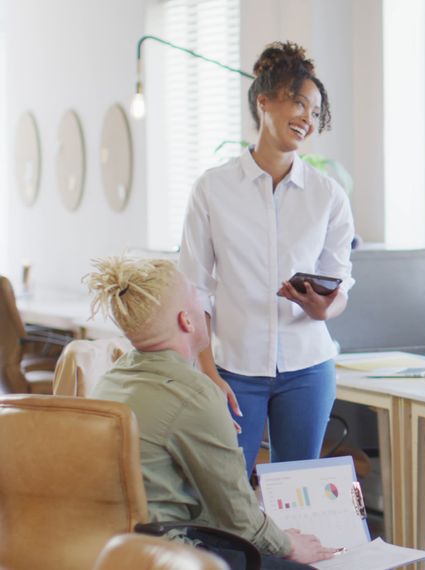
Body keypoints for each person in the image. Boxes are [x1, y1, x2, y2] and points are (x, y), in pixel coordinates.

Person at [86, 256, 340, 569]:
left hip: (117, 549)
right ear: (187, 321)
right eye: (196, 294)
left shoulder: (113, 378)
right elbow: (238, 520)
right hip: (170, 554)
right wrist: (289, 545)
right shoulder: (193, 394)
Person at [179, 41, 355, 475]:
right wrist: (208, 374)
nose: (306, 119)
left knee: (298, 495)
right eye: (298, 103)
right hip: (233, 369)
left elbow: (341, 284)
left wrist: (324, 305)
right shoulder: (213, 189)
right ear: (264, 100)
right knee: (229, 491)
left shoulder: (327, 194)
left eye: (314, 112)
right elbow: (193, 291)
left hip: (308, 369)